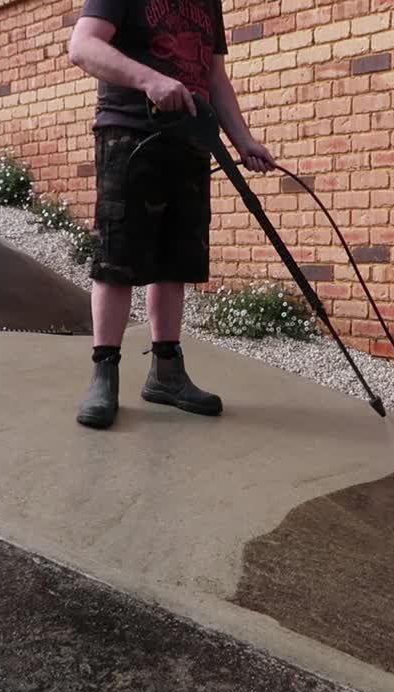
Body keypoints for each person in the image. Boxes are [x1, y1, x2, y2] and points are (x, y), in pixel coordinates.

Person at [67, 0, 275, 429]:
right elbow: (83, 46)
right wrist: (149, 79)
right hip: (130, 133)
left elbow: (215, 78)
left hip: (191, 138)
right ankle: (104, 373)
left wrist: (243, 140)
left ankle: (166, 373)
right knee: (116, 260)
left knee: (176, 260)